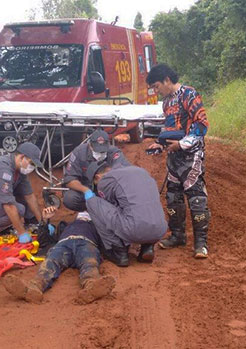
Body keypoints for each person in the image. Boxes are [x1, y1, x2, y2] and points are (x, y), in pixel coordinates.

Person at [146, 63, 211, 259]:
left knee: (196, 197)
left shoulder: (189, 94)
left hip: (192, 155)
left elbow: (202, 125)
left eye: (157, 86)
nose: (156, 91)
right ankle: (177, 235)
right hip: (174, 156)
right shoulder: (166, 102)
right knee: (173, 197)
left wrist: (182, 144)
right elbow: (169, 128)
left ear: (167, 80)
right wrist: (159, 143)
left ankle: (201, 243)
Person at [3, 209, 116, 304]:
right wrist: (45, 220)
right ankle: (34, 288)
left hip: (86, 243)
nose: (84, 213)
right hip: (63, 244)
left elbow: (110, 242)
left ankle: (92, 286)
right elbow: (43, 241)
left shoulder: (99, 226)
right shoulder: (64, 226)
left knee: (90, 263)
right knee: (50, 262)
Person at [85, 163, 167, 267]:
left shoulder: (105, 180)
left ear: (97, 177)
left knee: (92, 202)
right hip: (159, 230)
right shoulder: (141, 171)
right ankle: (147, 247)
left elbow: (109, 206)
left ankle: (119, 252)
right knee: (143, 209)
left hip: (134, 230)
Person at [62, 129, 130, 212]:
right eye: (98, 150)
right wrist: (86, 191)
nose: (101, 153)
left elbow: (126, 173)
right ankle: (88, 211)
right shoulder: (79, 153)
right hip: (87, 189)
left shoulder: (114, 153)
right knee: (70, 198)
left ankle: (114, 213)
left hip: (108, 190)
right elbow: (69, 179)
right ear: (90, 145)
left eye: (103, 151)